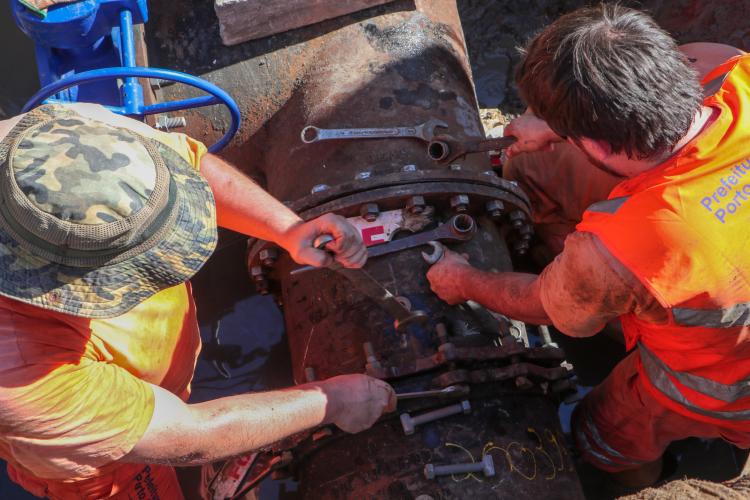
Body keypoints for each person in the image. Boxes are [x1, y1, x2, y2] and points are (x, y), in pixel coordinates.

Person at [425, 3, 748, 488]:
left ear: (595, 144)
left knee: (603, 436)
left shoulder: (629, 243)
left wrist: (465, 280)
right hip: (716, 267)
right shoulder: (730, 65)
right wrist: (556, 128)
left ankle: (642, 477)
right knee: (541, 171)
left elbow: (542, 304)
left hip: (719, 383)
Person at [0, 102, 395, 499]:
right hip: (108, 464)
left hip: (159, 362)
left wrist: (288, 229)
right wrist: (333, 401)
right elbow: (189, 436)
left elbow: (188, 164)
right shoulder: (21, 374)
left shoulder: (52, 136)